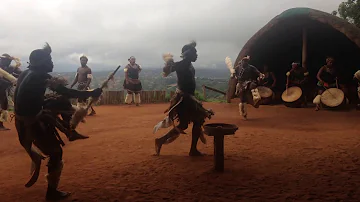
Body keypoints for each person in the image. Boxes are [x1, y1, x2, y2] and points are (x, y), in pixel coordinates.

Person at [14, 43, 102, 200]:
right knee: (56, 152)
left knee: (60, 101)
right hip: (31, 122)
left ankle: (71, 131)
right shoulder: (39, 76)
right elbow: (67, 91)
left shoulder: (27, 73)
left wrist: (44, 101)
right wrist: (92, 92)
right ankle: (51, 192)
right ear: (41, 63)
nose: (52, 62)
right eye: (49, 59)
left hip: (26, 117)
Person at [154, 41, 214, 156]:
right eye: (194, 53)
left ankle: (192, 149)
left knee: (197, 120)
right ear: (188, 54)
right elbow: (166, 70)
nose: (197, 55)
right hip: (183, 99)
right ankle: (161, 140)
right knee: (185, 124)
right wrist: (168, 62)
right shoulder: (180, 65)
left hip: (190, 98)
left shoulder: (190, 65)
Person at [0, 54, 21, 130]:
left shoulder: (10, 68)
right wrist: (11, 81)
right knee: (3, 105)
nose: (8, 62)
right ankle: (0, 125)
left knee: (5, 105)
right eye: (7, 60)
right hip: (2, 88)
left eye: (10, 61)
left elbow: (19, 73)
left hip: (7, 88)